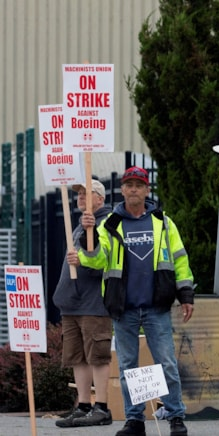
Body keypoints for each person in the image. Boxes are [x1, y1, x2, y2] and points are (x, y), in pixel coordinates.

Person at [67, 166, 194, 436]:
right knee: (127, 368)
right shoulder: (110, 223)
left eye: (139, 184)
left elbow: (180, 259)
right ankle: (134, 420)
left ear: (147, 190)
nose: (134, 189)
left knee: (167, 364)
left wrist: (186, 295)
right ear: (122, 190)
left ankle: (176, 418)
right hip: (123, 308)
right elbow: (97, 261)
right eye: (129, 185)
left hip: (156, 306)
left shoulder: (162, 221)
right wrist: (88, 243)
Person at [54, 179, 114, 428]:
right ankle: (83, 405)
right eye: (78, 194)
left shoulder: (106, 224)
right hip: (73, 303)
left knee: (96, 355)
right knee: (77, 356)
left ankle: (101, 406)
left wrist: (83, 256)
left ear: (100, 199)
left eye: (87, 193)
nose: (80, 197)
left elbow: (103, 258)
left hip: (93, 303)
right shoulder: (79, 225)